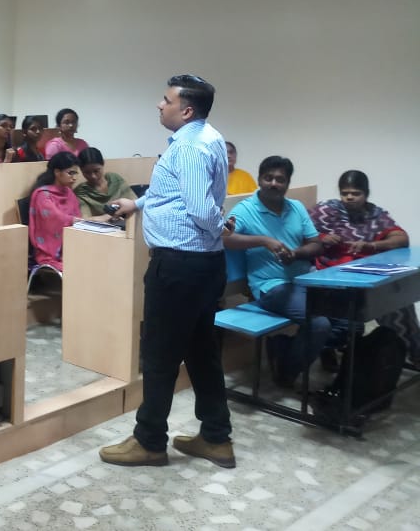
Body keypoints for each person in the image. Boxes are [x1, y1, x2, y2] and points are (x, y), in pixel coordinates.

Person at [100, 75, 234, 469]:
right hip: (203, 265)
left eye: (166, 100)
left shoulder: (189, 148)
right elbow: (174, 192)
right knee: (201, 351)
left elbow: (201, 209)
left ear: (186, 110)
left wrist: (220, 227)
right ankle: (216, 437)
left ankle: (150, 441)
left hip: (179, 265)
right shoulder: (208, 137)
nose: (160, 105)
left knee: (159, 354)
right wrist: (138, 204)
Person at [225, 156, 326, 388]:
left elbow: (316, 244)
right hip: (271, 286)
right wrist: (264, 240)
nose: (273, 183)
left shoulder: (296, 207)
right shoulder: (246, 209)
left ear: (287, 183)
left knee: (346, 317)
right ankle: (285, 373)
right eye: (268, 178)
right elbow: (225, 239)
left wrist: (296, 254)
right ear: (259, 179)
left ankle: (282, 347)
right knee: (320, 323)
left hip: (304, 281)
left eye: (280, 179)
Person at [310, 170, 419, 365]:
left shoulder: (375, 214)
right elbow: (299, 231)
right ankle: (330, 348)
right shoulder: (325, 211)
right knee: (353, 313)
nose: (349, 197)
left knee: (400, 303)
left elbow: (401, 238)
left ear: (366, 193)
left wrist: (372, 245)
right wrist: (322, 237)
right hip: (331, 273)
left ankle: (413, 351)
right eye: (345, 193)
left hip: (364, 273)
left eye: (356, 193)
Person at [28, 151, 82, 271]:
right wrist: (90, 220)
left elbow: (77, 219)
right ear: (57, 172)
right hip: (49, 253)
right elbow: (58, 219)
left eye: (76, 173)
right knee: (79, 268)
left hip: (71, 245)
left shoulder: (69, 192)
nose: (74, 178)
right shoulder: (43, 195)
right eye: (70, 173)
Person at [74, 147, 136, 220]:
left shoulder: (115, 179)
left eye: (96, 171)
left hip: (126, 223)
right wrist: (112, 216)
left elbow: (134, 202)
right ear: (81, 171)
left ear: (103, 164)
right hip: (96, 227)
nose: (93, 176)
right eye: (87, 172)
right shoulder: (81, 192)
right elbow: (85, 220)